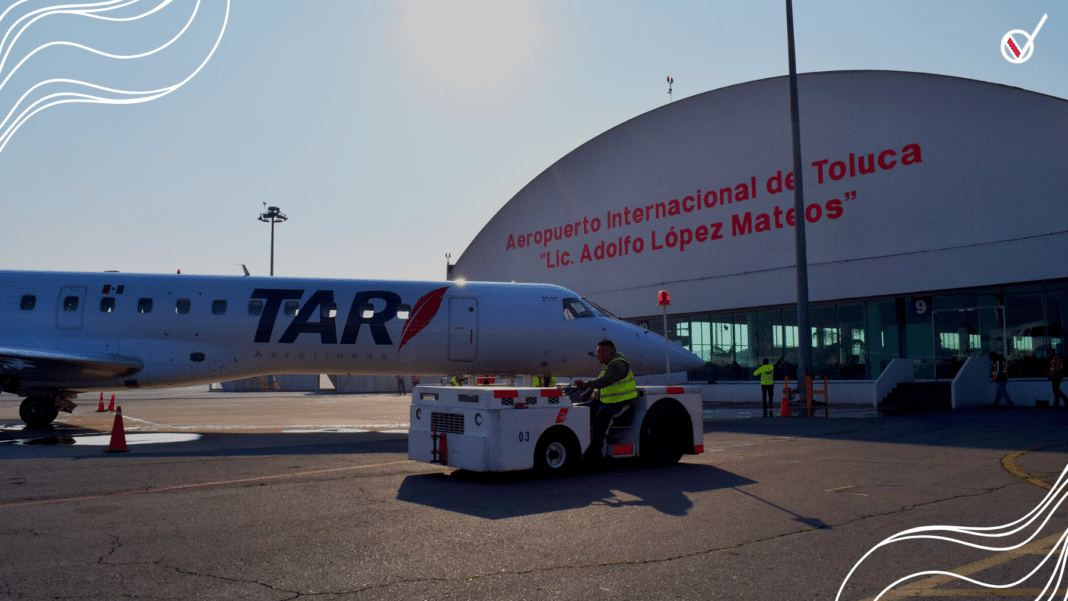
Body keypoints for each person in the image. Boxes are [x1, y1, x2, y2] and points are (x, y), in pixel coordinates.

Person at [573, 339, 638, 463]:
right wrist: (587, 394)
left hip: (622, 403)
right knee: (580, 409)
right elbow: (600, 381)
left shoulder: (618, 364)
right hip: (606, 402)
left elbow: (605, 381)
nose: (597, 355)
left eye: (599, 352)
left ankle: (596, 451)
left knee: (603, 415)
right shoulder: (609, 364)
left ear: (608, 352)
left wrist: (585, 385)